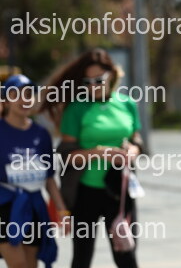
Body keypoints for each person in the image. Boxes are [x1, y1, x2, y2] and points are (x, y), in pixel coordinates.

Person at [39, 49, 143, 268]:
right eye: (87, 82)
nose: (93, 86)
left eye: (98, 80)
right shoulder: (76, 109)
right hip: (86, 192)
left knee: (127, 256)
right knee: (82, 257)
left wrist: (133, 150)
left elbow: (136, 139)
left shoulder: (127, 103)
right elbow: (66, 157)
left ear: (111, 75)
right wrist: (100, 152)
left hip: (120, 190)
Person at [0, 74, 68, 268]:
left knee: (31, 264)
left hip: (34, 206)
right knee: (18, 264)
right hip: (5, 206)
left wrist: (62, 210)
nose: (24, 99)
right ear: (6, 100)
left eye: (29, 94)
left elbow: (49, 178)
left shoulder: (41, 134)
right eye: (16, 95)